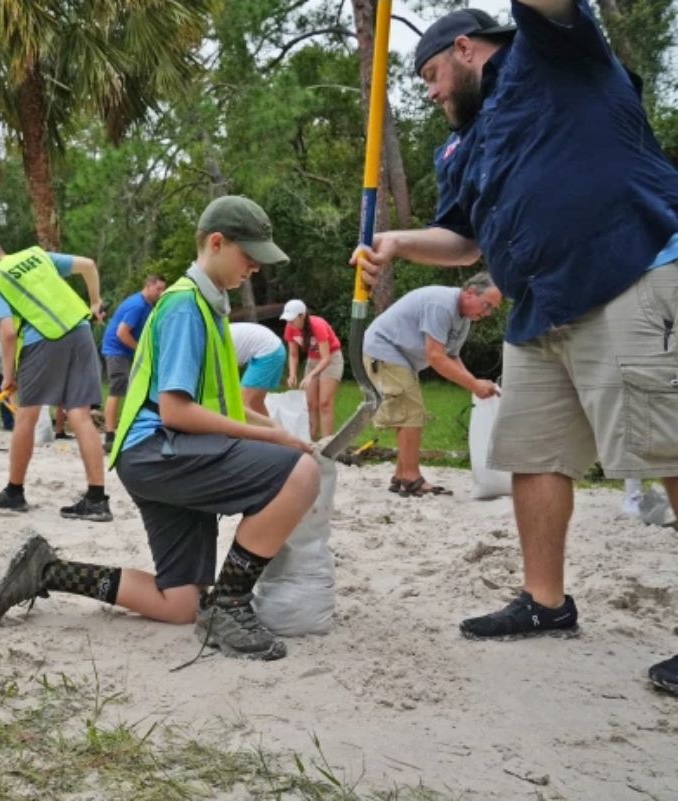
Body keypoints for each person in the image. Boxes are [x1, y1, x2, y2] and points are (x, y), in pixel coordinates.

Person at [351, 0, 678, 694]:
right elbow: (465, 240)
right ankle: (546, 602)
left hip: (629, 269)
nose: (432, 91)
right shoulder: (460, 144)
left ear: (468, 47)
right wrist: (400, 242)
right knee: (532, 454)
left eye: (433, 73)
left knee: (669, 443)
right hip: (537, 309)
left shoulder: (552, 52)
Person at [0, 196, 320, 661]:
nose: (255, 268)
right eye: (250, 256)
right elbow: (177, 411)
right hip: (161, 447)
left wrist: (276, 430)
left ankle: (47, 572)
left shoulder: (205, 305)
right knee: (301, 475)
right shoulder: (186, 306)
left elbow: (219, 406)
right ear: (217, 243)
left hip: (154, 455)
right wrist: (274, 439)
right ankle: (231, 604)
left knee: (179, 603)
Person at [0, 230, 112, 522]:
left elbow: (7, 333)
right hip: (81, 330)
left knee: (26, 416)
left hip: (43, 338)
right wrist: (95, 303)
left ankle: (14, 492)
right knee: (80, 414)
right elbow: (88, 265)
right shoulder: (36, 255)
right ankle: (97, 500)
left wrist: (8, 376)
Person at [363, 273, 503, 497]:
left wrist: (473, 382)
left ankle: (401, 475)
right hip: (384, 348)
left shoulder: (464, 318)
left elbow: (452, 356)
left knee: (409, 411)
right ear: (469, 292)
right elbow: (436, 357)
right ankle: (410, 477)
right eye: (486, 305)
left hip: (400, 357)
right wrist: (474, 385)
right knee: (411, 412)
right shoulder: (442, 304)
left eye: (491, 309)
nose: (487, 313)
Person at [101, 275, 167, 453]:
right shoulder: (137, 305)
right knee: (117, 390)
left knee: (133, 389)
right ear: (148, 285)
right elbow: (122, 333)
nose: (160, 293)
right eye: (158, 289)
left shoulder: (147, 305)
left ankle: (130, 429)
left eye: (163, 290)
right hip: (116, 350)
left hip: (126, 351)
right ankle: (110, 436)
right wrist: (140, 350)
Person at [281, 300, 343, 440]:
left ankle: (327, 442)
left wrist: (310, 376)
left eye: (292, 319)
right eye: (287, 319)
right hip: (313, 360)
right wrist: (292, 374)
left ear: (302, 316)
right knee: (310, 403)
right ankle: (312, 439)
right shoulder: (290, 327)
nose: (289, 323)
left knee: (324, 403)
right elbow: (293, 354)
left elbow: (326, 358)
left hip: (331, 359)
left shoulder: (318, 325)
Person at [230, 322, 286, 420]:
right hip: (274, 348)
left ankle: (251, 434)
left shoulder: (209, 347)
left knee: (241, 404)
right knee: (256, 402)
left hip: (268, 351)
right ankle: (273, 432)